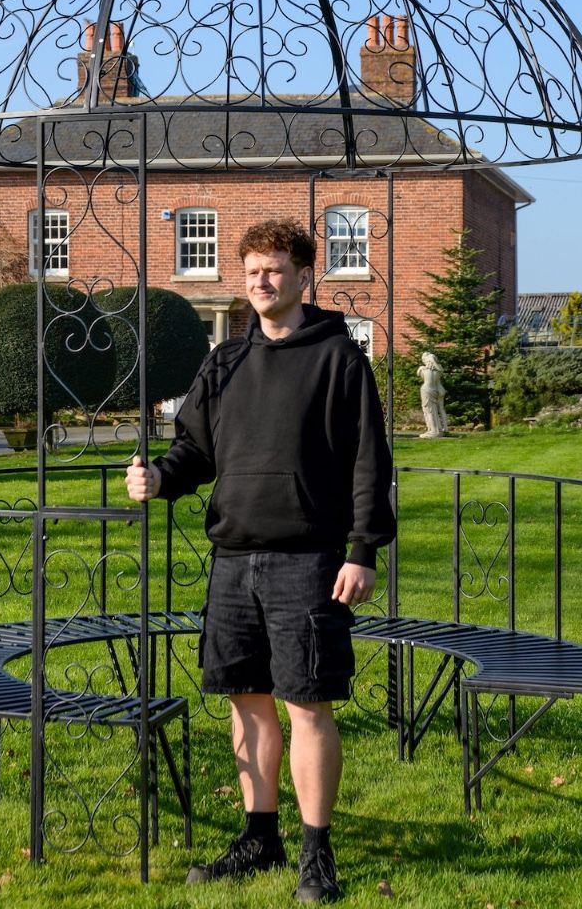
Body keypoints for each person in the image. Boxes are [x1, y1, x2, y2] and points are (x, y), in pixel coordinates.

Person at [126, 218, 394, 903]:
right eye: (250, 272)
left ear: (304, 274)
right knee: (246, 704)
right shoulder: (225, 362)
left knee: (307, 705)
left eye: (273, 270)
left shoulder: (338, 359)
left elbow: (370, 461)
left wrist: (363, 551)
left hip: (308, 561)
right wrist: (159, 478)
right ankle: (259, 835)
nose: (260, 282)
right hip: (233, 561)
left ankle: (316, 851)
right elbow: (195, 450)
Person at [417, 352, 448, 438]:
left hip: (426, 390)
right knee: (433, 410)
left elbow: (418, 374)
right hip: (436, 390)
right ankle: (438, 429)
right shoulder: (439, 370)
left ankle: (433, 431)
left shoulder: (424, 370)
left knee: (429, 410)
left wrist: (421, 368)